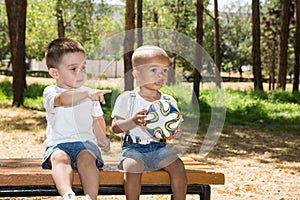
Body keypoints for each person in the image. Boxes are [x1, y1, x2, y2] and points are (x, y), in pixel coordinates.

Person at [111, 45, 187, 200]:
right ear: (137, 74)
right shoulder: (127, 98)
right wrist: (132, 121)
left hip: (159, 148)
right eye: (154, 70)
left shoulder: (168, 101)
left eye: (164, 71)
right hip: (133, 149)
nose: (161, 75)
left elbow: (173, 127)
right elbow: (115, 127)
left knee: (178, 166)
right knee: (132, 169)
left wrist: (175, 133)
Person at [41, 38, 111, 200]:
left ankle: (90, 196)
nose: (81, 73)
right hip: (58, 144)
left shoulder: (90, 93)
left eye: (83, 67)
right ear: (55, 73)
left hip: (85, 143)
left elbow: (96, 120)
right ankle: (67, 194)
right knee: (59, 159)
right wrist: (87, 94)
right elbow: (64, 100)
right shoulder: (51, 92)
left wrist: (102, 138)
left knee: (87, 159)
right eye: (74, 68)